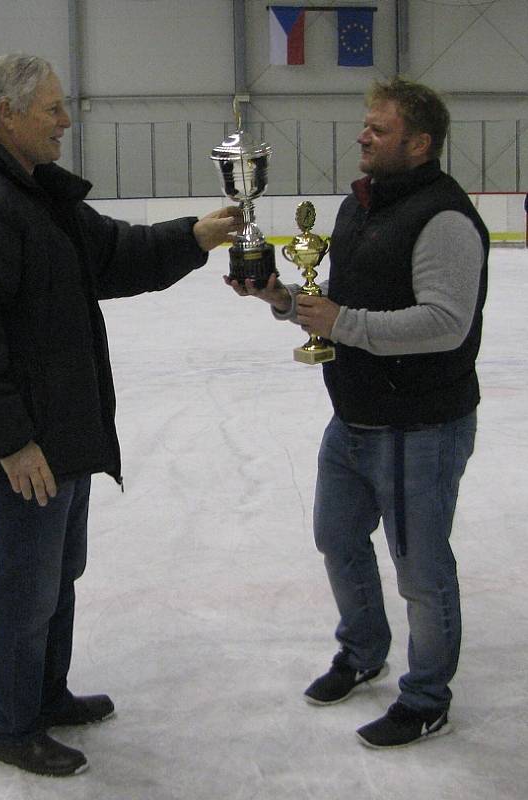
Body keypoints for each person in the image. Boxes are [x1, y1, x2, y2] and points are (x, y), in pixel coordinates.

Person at [0, 53, 241, 778]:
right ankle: (11, 725)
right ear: (9, 114)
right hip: (30, 447)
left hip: (66, 432)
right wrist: (11, 443)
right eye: (53, 109)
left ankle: (46, 693)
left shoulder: (41, 199)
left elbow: (117, 254)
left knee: (60, 573)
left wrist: (196, 235)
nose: (67, 121)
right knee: (27, 585)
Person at [226, 77, 488, 749]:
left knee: (422, 572)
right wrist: (284, 302)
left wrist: (343, 321)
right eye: (366, 124)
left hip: (421, 426)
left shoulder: (445, 218)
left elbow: (445, 323)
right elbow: (338, 309)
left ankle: (427, 696)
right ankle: (364, 649)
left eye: (379, 127)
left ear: (420, 142)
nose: (363, 134)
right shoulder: (358, 208)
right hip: (355, 417)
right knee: (337, 538)